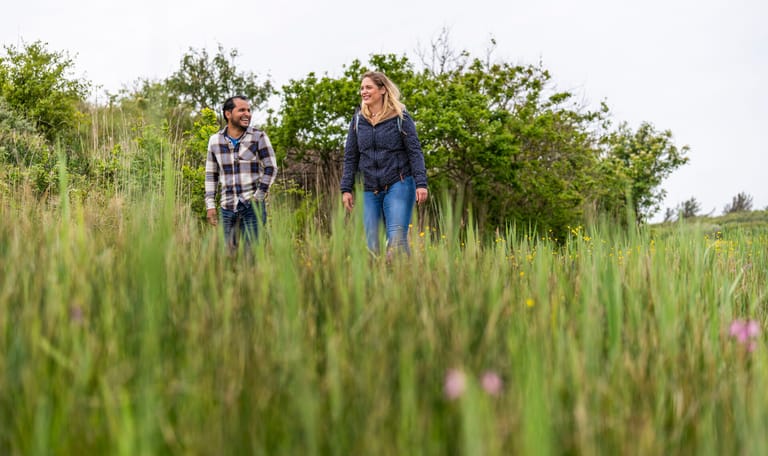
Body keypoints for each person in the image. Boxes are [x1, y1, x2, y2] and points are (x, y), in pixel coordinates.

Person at [341, 71, 428, 257]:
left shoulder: (400, 117)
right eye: (362, 88)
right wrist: (346, 189)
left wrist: (421, 183)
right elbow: (351, 156)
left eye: (369, 87)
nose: (364, 91)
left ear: (382, 90)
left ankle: (401, 273)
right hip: (368, 188)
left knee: (396, 241)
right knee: (372, 245)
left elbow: (415, 151)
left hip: (399, 183)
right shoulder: (358, 120)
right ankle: (379, 276)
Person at [205, 95, 278, 253]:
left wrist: (258, 197)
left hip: (252, 208)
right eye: (242, 110)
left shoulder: (258, 137)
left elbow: (271, 168)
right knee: (228, 257)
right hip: (227, 208)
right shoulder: (215, 141)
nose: (247, 114)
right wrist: (210, 205)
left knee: (250, 256)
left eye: (249, 110)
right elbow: (211, 175)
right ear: (228, 114)